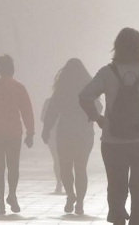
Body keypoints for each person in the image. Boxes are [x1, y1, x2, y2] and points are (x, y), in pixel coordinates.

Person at [79, 27, 139, 225]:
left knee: (116, 184)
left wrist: (97, 118)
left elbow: (84, 96)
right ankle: (136, 221)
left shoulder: (107, 73)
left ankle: (117, 217)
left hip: (112, 140)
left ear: (117, 47)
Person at [43, 58, 102, 215]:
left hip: (65, 132)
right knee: (81, 168)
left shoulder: (63, 88)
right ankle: (80, 203)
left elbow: (53, 110)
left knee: (65, 167)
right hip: (84, 132)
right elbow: (99, 107)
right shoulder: (89, 88)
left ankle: (71, 195)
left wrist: (46, 129)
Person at [0, 54, 35, 215]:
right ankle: (12, 194)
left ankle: (0, 203)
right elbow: (27, 111)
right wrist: (30, 133)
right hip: (13, 132)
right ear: (12, 69)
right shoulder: (19, 88)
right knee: (13, 166)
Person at [41, 97, 64, 195]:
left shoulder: (49, 101)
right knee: (68, 159)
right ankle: (67, 182)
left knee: (57, 159)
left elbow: (43, 117)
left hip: (53, 134)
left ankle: (59, 182)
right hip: (67, 133)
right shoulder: (71, 99)